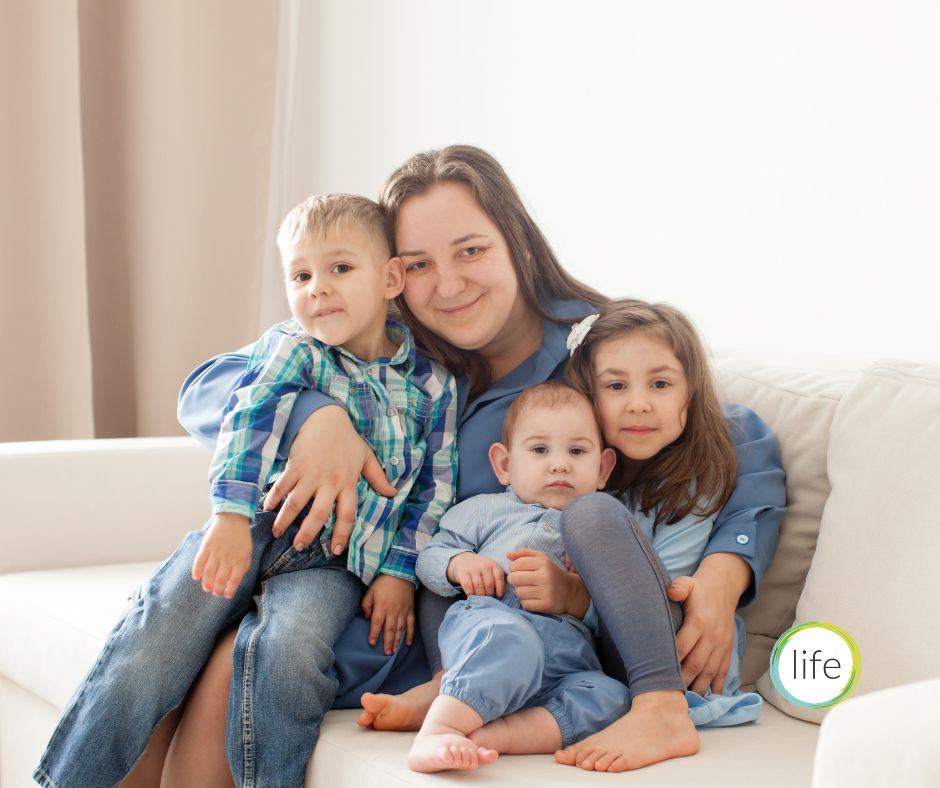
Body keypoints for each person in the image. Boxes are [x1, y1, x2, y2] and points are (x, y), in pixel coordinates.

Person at [169, 144, 785, 778]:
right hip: (336, 575)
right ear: (391, 273)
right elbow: (206, 388)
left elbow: (736, 436)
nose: (449, 284)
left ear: (516, 241)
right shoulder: (385, 340)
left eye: (471, 251)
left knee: (227, 667)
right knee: (178, 644)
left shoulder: (587, 349)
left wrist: (722, 576)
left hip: (443, 619)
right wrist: (315, 418)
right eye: (418, 264)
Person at [33, 194, 458, 788]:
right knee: (155, 638)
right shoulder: (291, 347)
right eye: (301, 275)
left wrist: (398, 572)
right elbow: (248, 416)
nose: (318, 288)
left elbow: (432, 489)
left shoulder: (432, 386)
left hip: (337, 561)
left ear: (390, 279)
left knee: (288, 654)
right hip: (255, 526)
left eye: (340, 268)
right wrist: (229, 517)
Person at [408, 381, 625, 772]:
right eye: (540, 450)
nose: (559, 464)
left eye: (577, 451)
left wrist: (578, 597)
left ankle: (499, 735)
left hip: (568, 656)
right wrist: (460, 563)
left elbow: (621, 607)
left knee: (612, 696)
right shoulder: (484, 510)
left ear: (603, 468)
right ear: (504, 465)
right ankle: (439, 730)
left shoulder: (606, 527)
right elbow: (430, 557)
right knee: (510, 641)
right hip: (494, 622)